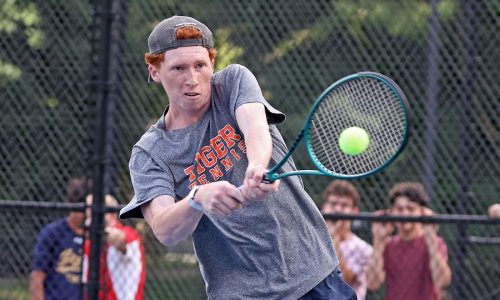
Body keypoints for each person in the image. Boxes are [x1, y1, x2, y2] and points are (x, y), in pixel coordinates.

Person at [119, 15, 356, 300]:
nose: (192, 79)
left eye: (200, 65)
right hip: (240, 294)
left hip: (314, 276)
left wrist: (256, 166)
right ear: (155, 72)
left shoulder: (232, 82)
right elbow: (164, 228)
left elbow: (255, 126)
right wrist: (197, 198)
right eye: (178, 68)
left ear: (212, 64)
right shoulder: (149, 153)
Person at [366, 182, 452, 300]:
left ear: (421, 212)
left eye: (411, 209)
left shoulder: (435, 242)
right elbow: (372, 283)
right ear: (392, 212)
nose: (405, 214)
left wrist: (431, 238)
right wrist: (378, 240)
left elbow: (442, 281)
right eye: (400, 209)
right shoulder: (388, 245)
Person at [30, 178, 90, 300]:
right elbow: (37, 276)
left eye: (85, 208)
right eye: (77, 208)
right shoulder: (53, 233)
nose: (82, 214)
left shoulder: (98, 235)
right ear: (69, 204)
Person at [83, 195, 146, 300]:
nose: (90, 213)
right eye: (89, 208)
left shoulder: (129, 234)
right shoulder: (89, 241)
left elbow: (119, 239)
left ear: (112, 213)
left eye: (93, 208)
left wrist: (97, 227)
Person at [321, 180, 373, 300]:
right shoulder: (313, 242)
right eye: (333, 204)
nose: (337, 209)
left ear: (354, 212)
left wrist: (334, 237)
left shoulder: (363, 248)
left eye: (344, 205)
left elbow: (345, 279)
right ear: (324, 207)